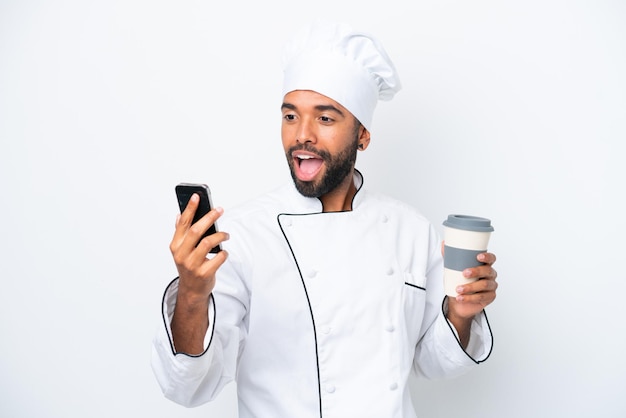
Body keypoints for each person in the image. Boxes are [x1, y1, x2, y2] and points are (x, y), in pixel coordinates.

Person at [151, 20, 498, 418]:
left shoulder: (410, 231)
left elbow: (432, 362)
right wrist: (193, 293)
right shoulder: (243, 236)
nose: (303, 135)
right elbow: (188, 385)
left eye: (326, 119)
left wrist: (460, 313)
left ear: (363, 135)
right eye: (291, 117)